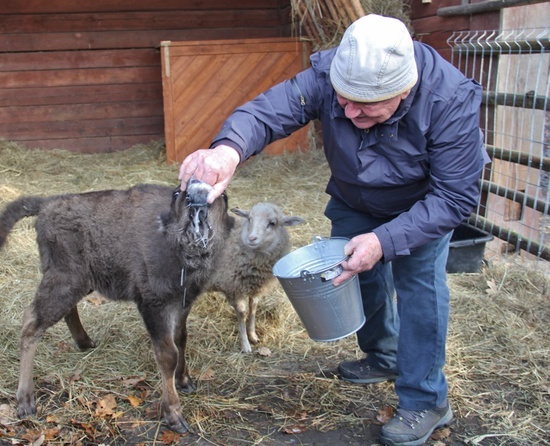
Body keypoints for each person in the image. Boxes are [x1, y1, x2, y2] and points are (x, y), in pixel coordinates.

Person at [179, 14, 489, 446]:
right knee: (357, 278)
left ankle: (426, 399)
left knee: (420, 289)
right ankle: (383, 353)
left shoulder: (450, 99)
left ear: (404, 90)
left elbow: (454, 197)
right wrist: (227, 150)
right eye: (343, 100)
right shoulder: (329, 75)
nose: (348, 112)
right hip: (354, 196)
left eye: (366, 106)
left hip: (422, 208)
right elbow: (269, 112)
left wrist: (384, 241)